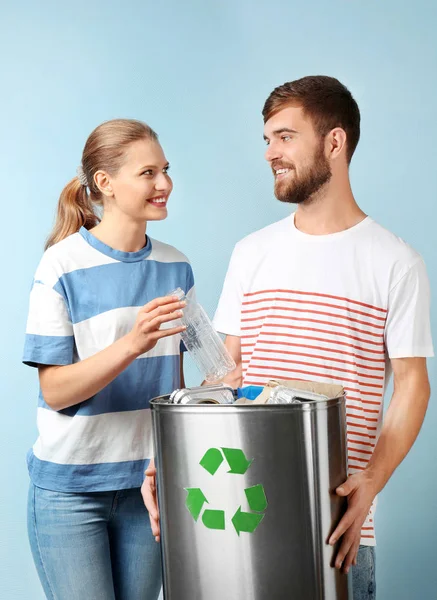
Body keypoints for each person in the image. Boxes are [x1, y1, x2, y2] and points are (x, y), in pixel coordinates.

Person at [142, 77, 433, 600]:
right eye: (267, 140)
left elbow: (413, 386)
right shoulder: (252, 252)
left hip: (335, 528)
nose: (271, 153)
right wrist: (170, 457)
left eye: (285, 137)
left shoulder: (396, 263)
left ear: (334, 142)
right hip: (233, 520)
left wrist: (372, 481)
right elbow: (225, 376)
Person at [23, 119, 193, 600]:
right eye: (148, 173)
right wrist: (131, 344)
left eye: (165, 170)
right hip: (70, 491)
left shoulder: (176, 265)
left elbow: (178, 385)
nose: (164, 184)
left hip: (148, 489)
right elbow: (55, 390)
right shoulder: (60, 265)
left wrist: (227, 381)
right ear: (105, 184)